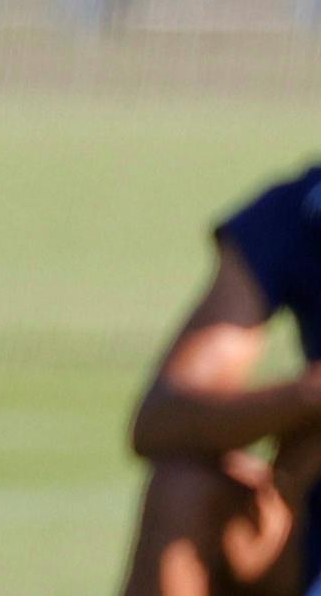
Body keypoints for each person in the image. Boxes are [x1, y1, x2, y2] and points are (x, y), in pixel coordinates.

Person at [122, 163, 321, 596]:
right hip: (303, 539)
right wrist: (306, 397)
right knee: (183, 489)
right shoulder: (304, 210)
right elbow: (163, 418)